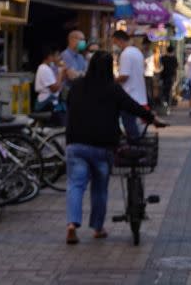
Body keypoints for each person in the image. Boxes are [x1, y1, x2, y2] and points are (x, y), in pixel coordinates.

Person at [64, 51, 155, 245]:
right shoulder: (112, 88)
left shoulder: (78, 86)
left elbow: (69, 104)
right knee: (99, 188)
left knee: (75, 185)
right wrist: (153, 119)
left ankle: (72, 225)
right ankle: (97, 228)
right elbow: (132, 106)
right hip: (102, 146)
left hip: (76, 143)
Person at [112, 30, 148, 138]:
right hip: (138, 95)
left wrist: (111, 81)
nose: (115, 45)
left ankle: (134, 148)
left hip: (129, 96)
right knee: (133, 125)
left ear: (120, 40)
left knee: (130, 126)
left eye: (115, 42)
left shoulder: (126, 54)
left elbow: (124, 75)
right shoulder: (137, 52)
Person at [35, 45, 66, 124]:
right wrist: (60, 72)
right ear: (50, 57)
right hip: (46, 103)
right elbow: (54, 88)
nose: (59, 58)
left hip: (52, 102)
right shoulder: (44, 68)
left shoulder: (49, 68)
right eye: (57, 55)